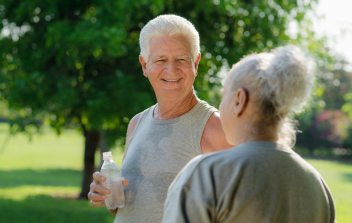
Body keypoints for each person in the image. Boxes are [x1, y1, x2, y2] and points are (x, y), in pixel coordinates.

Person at [162, 45, 336, 223]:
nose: (220, 107)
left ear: (239, 100)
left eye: (223, 96)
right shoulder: (317, 185)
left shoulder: (206, 173)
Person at [88, 14, 231, 222]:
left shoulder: (216, 127)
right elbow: (130, 208)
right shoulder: (137, 123)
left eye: (182, 59)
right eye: (160, 60)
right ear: (144, 65)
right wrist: (108, 195)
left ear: (196, 63)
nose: (171, 70)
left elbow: (245, 207)